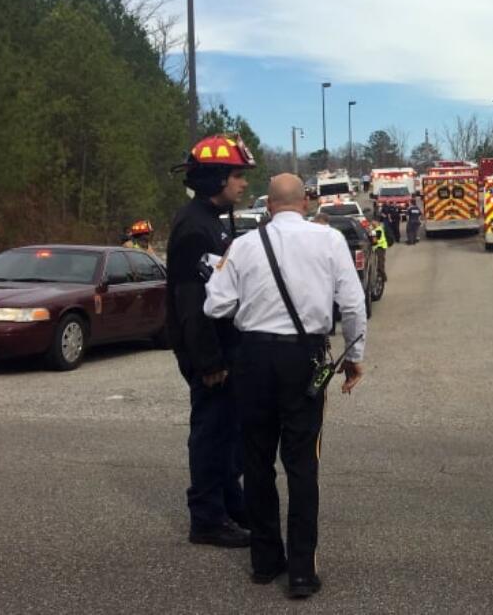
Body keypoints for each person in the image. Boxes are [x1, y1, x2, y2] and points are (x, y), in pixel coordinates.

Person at [204, 174, 367, 599]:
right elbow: (352, 303)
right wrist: (355, 356)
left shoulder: (242, 246)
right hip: (304, 357)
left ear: (270, 205)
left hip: (253, 359)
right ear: (306, 203)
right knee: (301, 464)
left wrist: (248, 300)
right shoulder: (328, 241)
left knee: (257, 462)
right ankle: (301, 572)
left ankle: (263, 561)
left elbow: (215, 304)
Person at [166, 133, 255, 549]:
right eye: (238, 176)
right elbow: (190, 303)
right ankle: (207, 517)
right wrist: (210, 362)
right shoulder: (192, 226)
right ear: (217, 178)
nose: (243, 184)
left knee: (230, 433)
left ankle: (231, 503)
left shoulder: (210, 221)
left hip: (224, 350)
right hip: (211, 356)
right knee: (212, 434)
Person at [372, 218, 389, 287]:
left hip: (380, 248)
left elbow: (375, 241)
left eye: (373, 222)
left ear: (377, 223)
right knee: (378, 263)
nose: (372, 224)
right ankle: (381, 276)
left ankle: (383, 278)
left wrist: (372, 234)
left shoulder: (378, 229)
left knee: (380, 264)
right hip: (377, 248)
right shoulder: (376, 229)